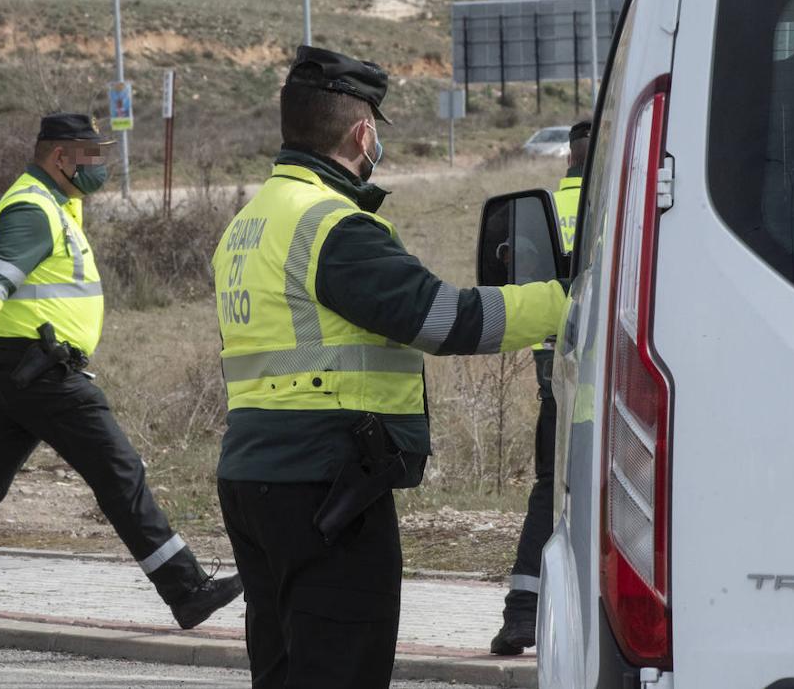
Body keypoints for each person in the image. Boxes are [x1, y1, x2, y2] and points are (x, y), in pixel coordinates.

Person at [211, 46, 569, 688]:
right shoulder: (333, 227)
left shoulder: (250, 221)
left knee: (285, 668)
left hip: (254, 475)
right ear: (362, 132)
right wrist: (569, 301)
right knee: (343, 669)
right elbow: (447, 320)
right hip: (325, 485)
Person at [0, 113, 242, 664]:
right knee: (120, 472)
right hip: (41, 370)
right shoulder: (32, 208)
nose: (100, 166)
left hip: (19, 371)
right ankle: (187, 590)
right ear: (59, 157)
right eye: (90, 155)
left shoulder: (59, 204)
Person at [490, 119, 590, 656]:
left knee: (550, 490)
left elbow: (518, 292)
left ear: (568, 160)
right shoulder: (626, 203)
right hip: (622, 376)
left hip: (555, 374)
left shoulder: (543, 213)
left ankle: (522, 614)